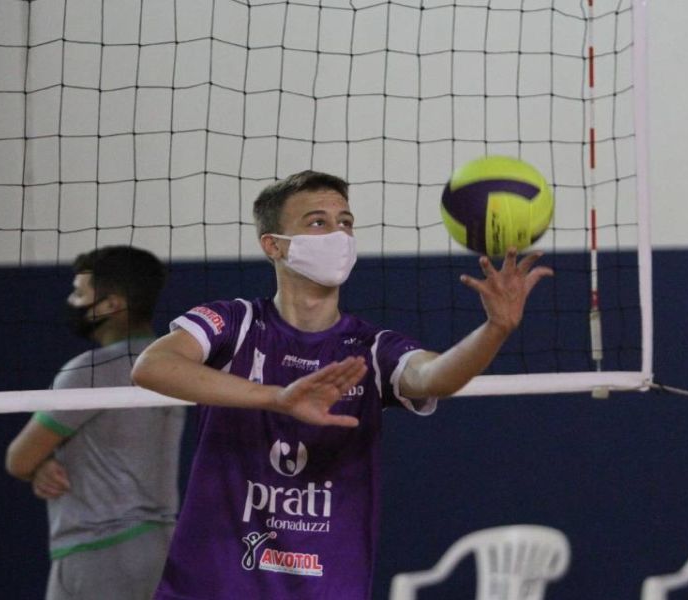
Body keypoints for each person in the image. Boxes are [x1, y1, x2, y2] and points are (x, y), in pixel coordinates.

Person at [132, 170, 552, 599]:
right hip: (212, 586)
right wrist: (277, 398)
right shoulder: (237, 324)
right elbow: (152, 365)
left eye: (346, 223)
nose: (339, 234)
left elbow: (434, 375)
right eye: (318, 222)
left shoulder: (370, 347)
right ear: (274, 245)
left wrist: (495, 329)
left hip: (327, 588)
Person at [6, 245, 184, 600]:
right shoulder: (172, 361)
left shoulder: (89, 370)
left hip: (102, 547)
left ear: (110, 305)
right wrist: (42, 465)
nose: (72, 301)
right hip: (159, 543)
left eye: (79, 293)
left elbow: (18, 458)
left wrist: (35, 464)